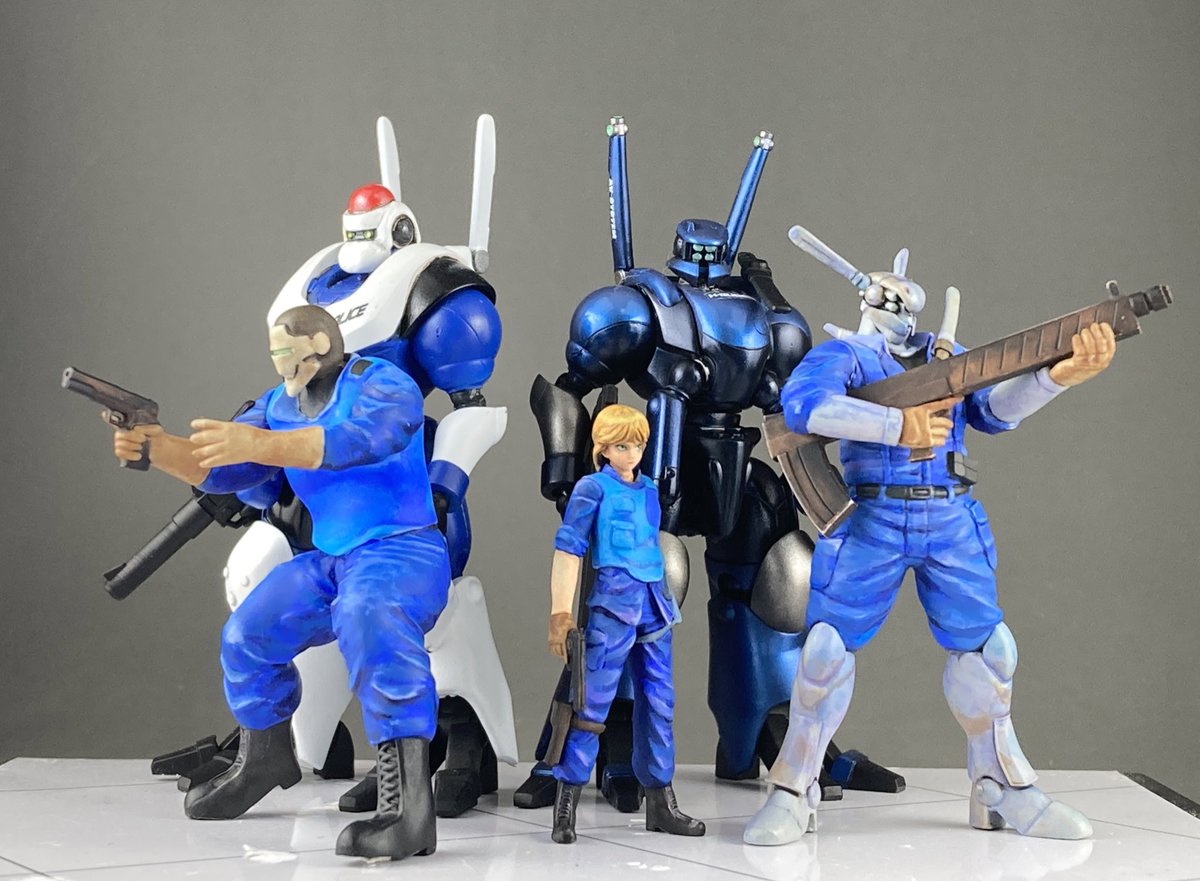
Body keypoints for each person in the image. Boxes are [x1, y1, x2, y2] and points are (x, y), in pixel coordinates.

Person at [743, 248, 1115, 845]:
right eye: (891, 299)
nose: (902, 312)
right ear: (867, 299)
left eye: (909, 302)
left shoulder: (947, 356)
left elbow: (991, 411)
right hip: (872, 516)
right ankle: (793, 789)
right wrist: (897, 426)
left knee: (990, 653)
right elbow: (805, 407)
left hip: (949, 514)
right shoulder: (846, 356)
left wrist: (1055, 377)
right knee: (824, 654)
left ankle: (1000, 787)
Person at [110, 304, 449, 861]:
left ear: (320, 345)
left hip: (401, 550)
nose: (279, 364)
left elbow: (360, 440)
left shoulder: (382, 383)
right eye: (274, 353)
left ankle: (407, 806)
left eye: (287, 352)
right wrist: (155, 447)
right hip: (330, 559)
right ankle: (264, 757)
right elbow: (222, 469)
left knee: (370, 619)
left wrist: (260, 445)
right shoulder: (278, 405)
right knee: (248, 632)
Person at [545, 404, 705, 844]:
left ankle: (661, 800)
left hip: (655, 605)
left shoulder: (649, 489)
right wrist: (560, 614)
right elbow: (569, 550)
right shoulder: (591, 489)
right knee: (590, 706)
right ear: (603, 448)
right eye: (621, 446)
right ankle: (566, 802)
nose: (631, 453)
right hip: (612, 609)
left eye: (637, 445)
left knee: (659, 703)